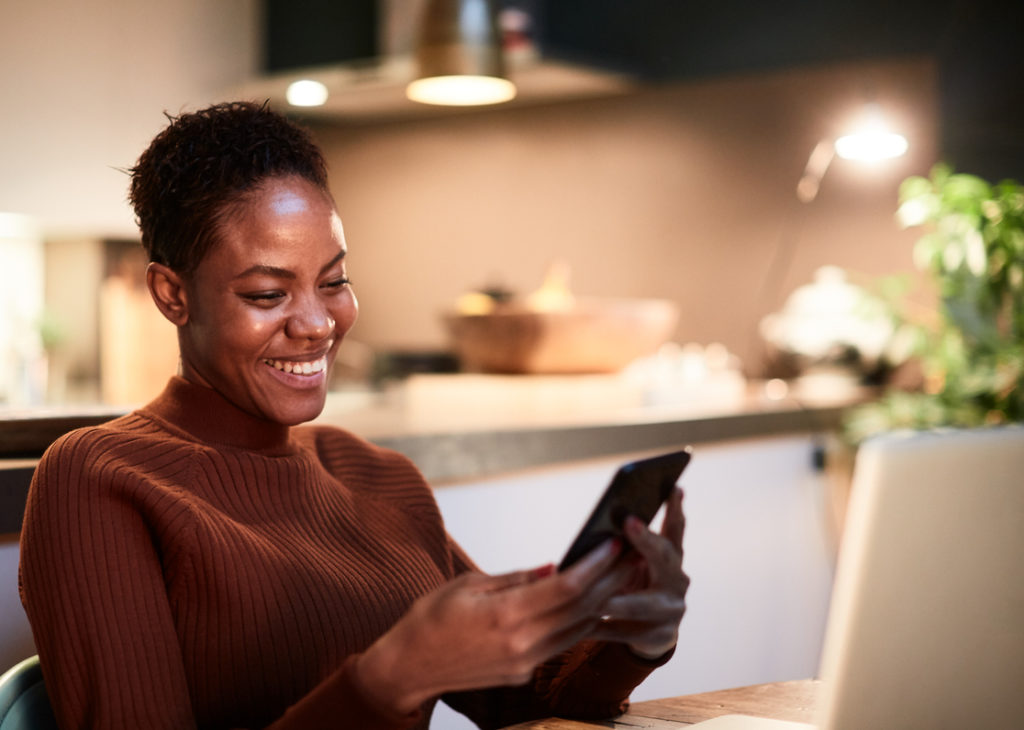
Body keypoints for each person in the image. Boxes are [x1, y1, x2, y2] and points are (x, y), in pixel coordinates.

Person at [19, 101, 689, 730]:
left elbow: (531, 700)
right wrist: (388, 679)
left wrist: (633, 637)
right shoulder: (99, 480)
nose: (316, 323)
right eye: (266, 293)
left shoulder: (375, 477)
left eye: (334, 281)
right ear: (172, 295)